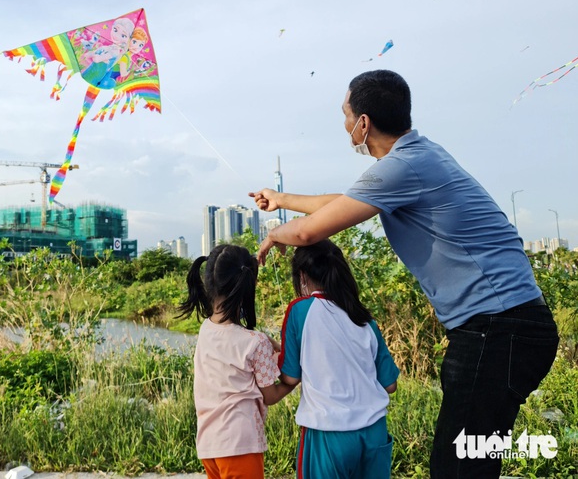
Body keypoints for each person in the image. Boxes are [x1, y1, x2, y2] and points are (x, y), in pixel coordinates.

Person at [250, 70, 559, 478]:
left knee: (457, 469)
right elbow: (343, 201)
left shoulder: (403, 166)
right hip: (506, 327)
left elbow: (310, 231)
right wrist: (282, 199)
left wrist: (275, 235)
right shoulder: (418, 156)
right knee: (472, 463)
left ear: (363, 123)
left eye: (345, 115)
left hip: (498, 328)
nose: (344, 125)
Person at [278, 239, 399, 478]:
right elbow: (390, 385)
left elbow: (290, 377)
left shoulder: (300, 309)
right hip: (374, 433)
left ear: (302, 276)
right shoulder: (363, 317)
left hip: (329, 433)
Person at [178, 244, 295, 479]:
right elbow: (270, 395)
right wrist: (294, 378)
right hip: (240, 444)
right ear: (246, 288)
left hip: (209, 445)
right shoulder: (255, 342)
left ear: (209, 282)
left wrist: (266, 344)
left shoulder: (206, 330)